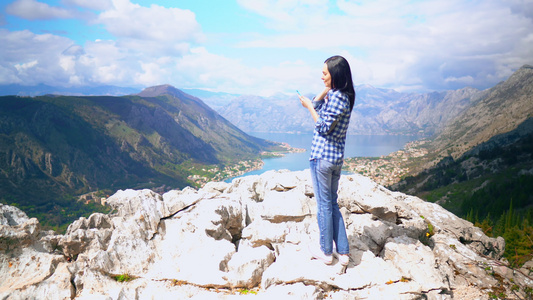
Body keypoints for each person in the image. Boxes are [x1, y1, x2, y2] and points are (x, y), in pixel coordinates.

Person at [298, 55, 355, 266]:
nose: (321, 76)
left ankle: (325, 252)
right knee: (331, 203)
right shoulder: (342, 96)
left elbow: (322, 125)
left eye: (324, 73)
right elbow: (318, 106)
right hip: (335, 158)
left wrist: (309, 108)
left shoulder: (338, 98)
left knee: (324, 206)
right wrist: (324, 91)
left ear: (335, 74)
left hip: (322, 157)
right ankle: (343, 252)